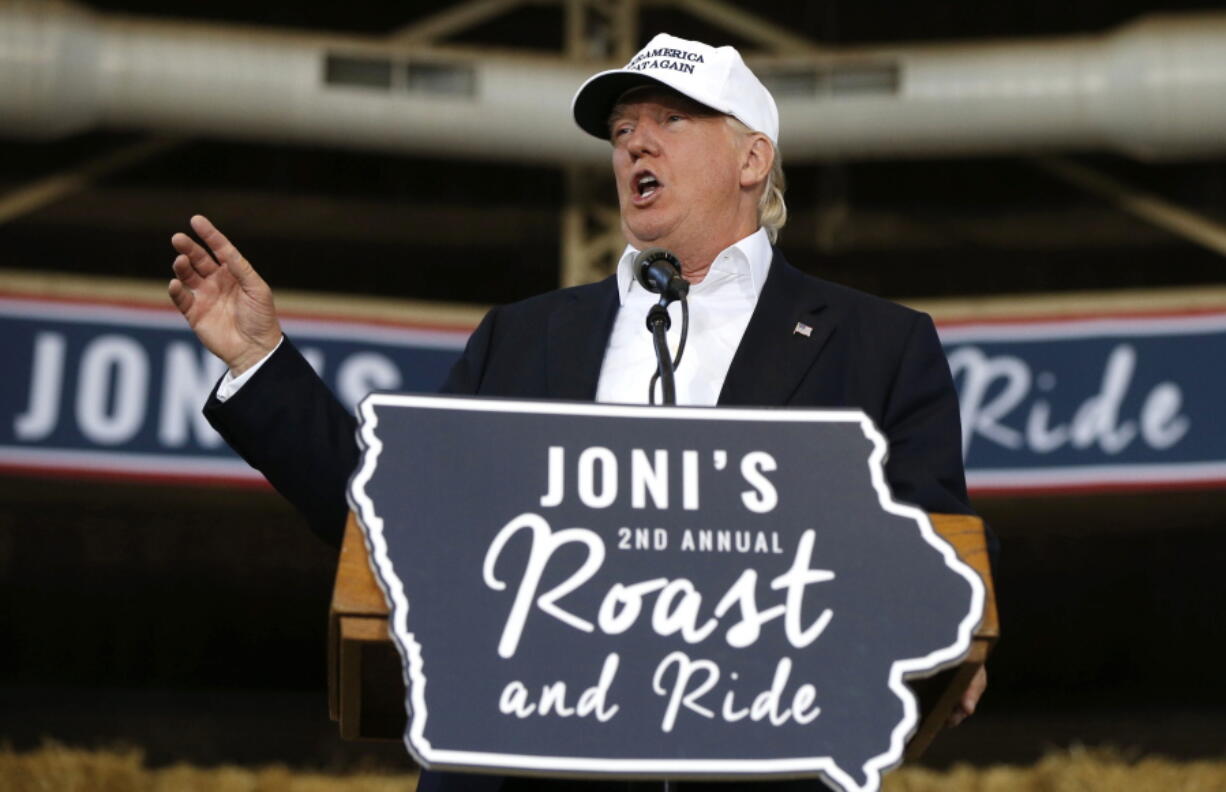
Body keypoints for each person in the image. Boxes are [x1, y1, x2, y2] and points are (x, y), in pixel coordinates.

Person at [168, 33, 986, 791]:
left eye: (670, 117)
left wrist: (956, 635)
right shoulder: (523, 339)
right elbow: (393, 526)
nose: (635, 141)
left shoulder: (880, 346)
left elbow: (935, 560)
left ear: (752, 157)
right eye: (623, 127)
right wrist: (259, 361)